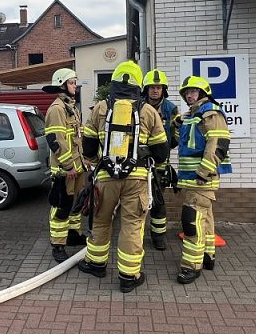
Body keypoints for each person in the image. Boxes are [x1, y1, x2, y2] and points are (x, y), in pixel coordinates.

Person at [78, 61, 168, 293]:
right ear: (139, 84)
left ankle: (96, 264)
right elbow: (161, 152)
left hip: (105, 177)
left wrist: (98, 163)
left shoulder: (99, 108)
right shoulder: (148, 111)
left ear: (114, 82)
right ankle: (129, 276)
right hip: (137, 179)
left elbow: (88, 146)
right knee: (132, 225)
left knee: (101, 220)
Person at [175, 75, 231, 284]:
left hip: (201, 178)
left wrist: (203, 172)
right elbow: (184, 138)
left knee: (192, 221)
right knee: (205, 219)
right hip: (193, 179)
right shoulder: (193, 115)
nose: (189, 95)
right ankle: (208, 256)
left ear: (203, 93)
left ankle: (191, 266)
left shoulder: (210, 113)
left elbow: (217, 145)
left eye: (193, 91)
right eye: (186, 93)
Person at [43, 67, 87, 263]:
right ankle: (58, 245)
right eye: (71, 83)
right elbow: (56, 141)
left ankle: (73, 235)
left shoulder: (71, 108)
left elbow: (76, 138)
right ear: (61, 85)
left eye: (75, 82)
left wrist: (83, 160)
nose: (75, 86)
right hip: (64, 170)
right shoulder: (57, 109)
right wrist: (68, 166)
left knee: (76, 203)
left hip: (76, 168)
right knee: (61, 206)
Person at [141, 69, 179, 251]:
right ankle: (136, 235)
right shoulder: (138, 106)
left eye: (158, 87)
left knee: (158, 201)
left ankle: (158, 237)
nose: (155, 90)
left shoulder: (171, 109)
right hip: (140, 163)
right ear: (146, 89)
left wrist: (164, 147)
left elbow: (176, 135)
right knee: (137, 201)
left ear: (164, 89)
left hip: (160, 164)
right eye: (152, 87)